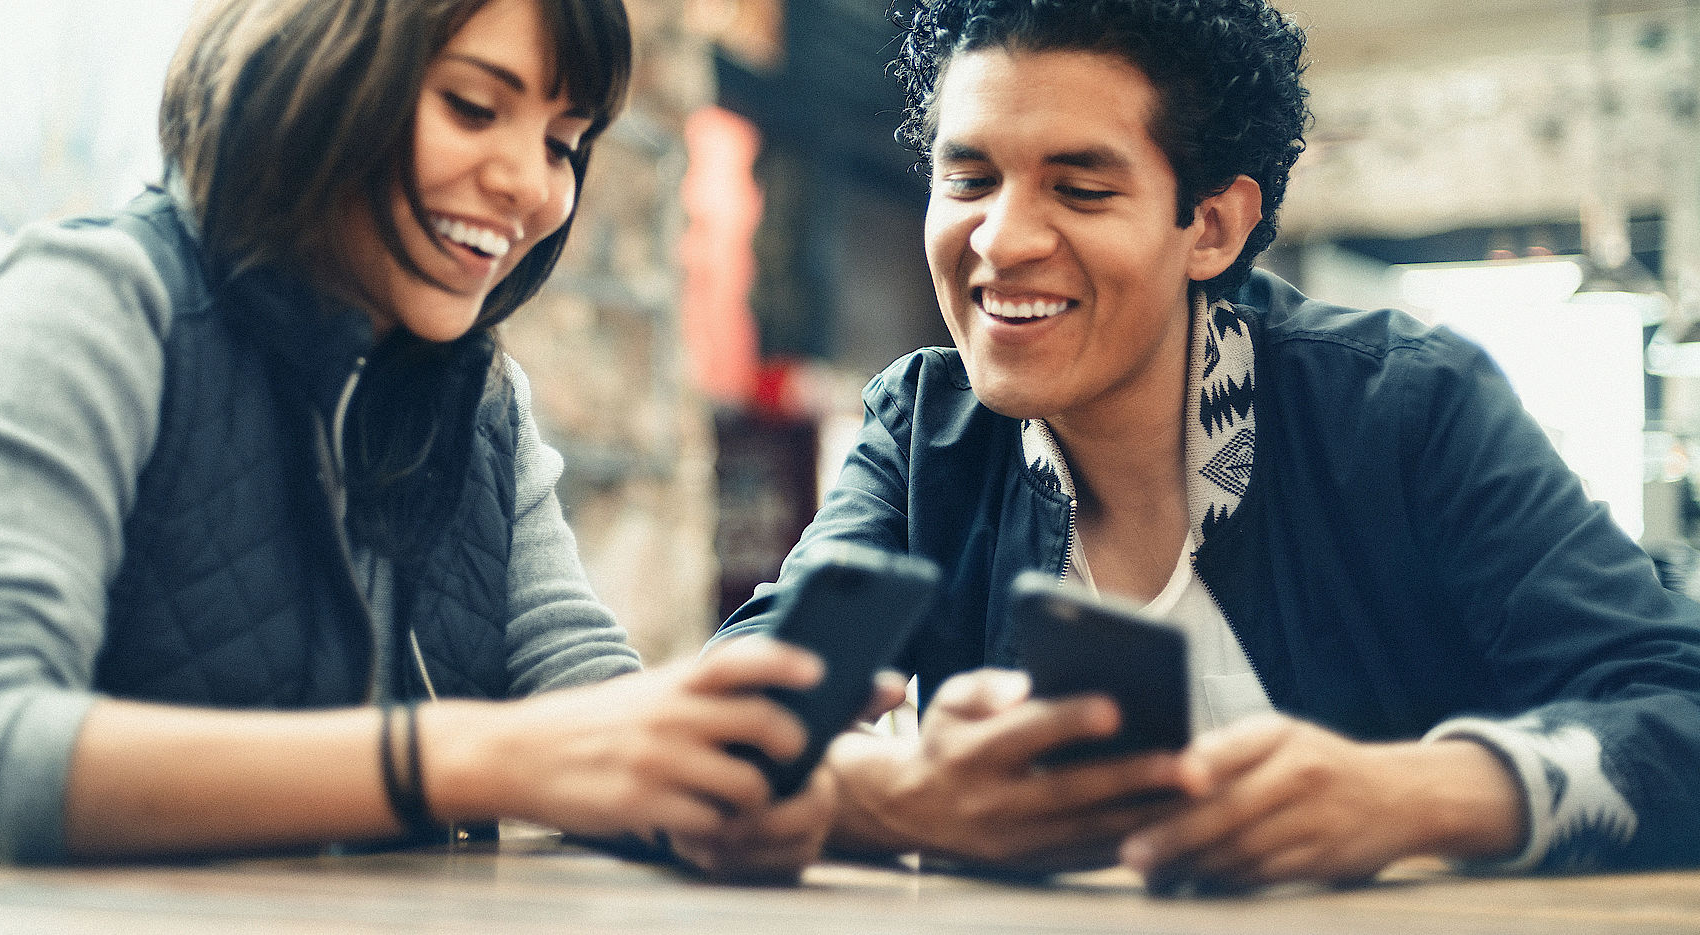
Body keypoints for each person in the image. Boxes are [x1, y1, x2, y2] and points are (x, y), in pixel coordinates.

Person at [0, 0, 828, 884]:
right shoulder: (89, 308)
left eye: (564, 142)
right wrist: (466, 757)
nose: (531, 183)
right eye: (474, 107)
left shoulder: (480, 400)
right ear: (322, 71)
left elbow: (588, 701)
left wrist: (832, 779)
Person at [714, 0, 1700, 891]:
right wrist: (900, 794)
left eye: (1081, 189)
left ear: (1214, 226)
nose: (1001, 240)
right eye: (967, 177)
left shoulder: (1407, 407)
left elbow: (1679, 713)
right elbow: (718, 728)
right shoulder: (926, 433)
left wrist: (1413, 794)